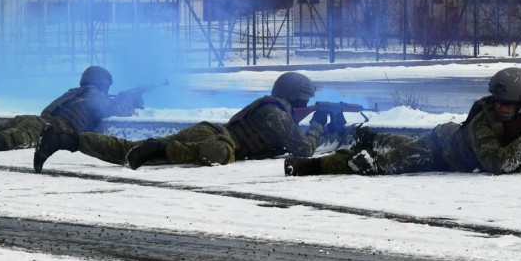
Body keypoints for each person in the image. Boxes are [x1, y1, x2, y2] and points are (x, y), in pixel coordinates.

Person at [285, 67, 521, 176]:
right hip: (441, 149)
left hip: (447, 144)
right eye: (499, 102)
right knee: (380, 165)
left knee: (400, 144)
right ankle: (311, 166)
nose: (501, 108)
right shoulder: (484, 121)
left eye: (509, 105)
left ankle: (373, 136)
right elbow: (496, 165)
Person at [33, 71, 345, 173]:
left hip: (210, 131)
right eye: (304, 103)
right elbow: (302, 150)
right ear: (296, 97)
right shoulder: (275, 112)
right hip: (217, 138)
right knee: (218, 155)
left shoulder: (277, 110)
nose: (304, 107)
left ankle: (67, 140)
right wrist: (319, 123)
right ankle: (160, 150)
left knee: (128, 151)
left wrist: (328, 124)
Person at [0, 66, 146, 158]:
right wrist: (131, 101)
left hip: (38, 118)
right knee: (7, 139)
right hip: (53, 127)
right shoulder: (96, 95)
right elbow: (115, 110)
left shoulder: (74, 92)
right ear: (102, 84)